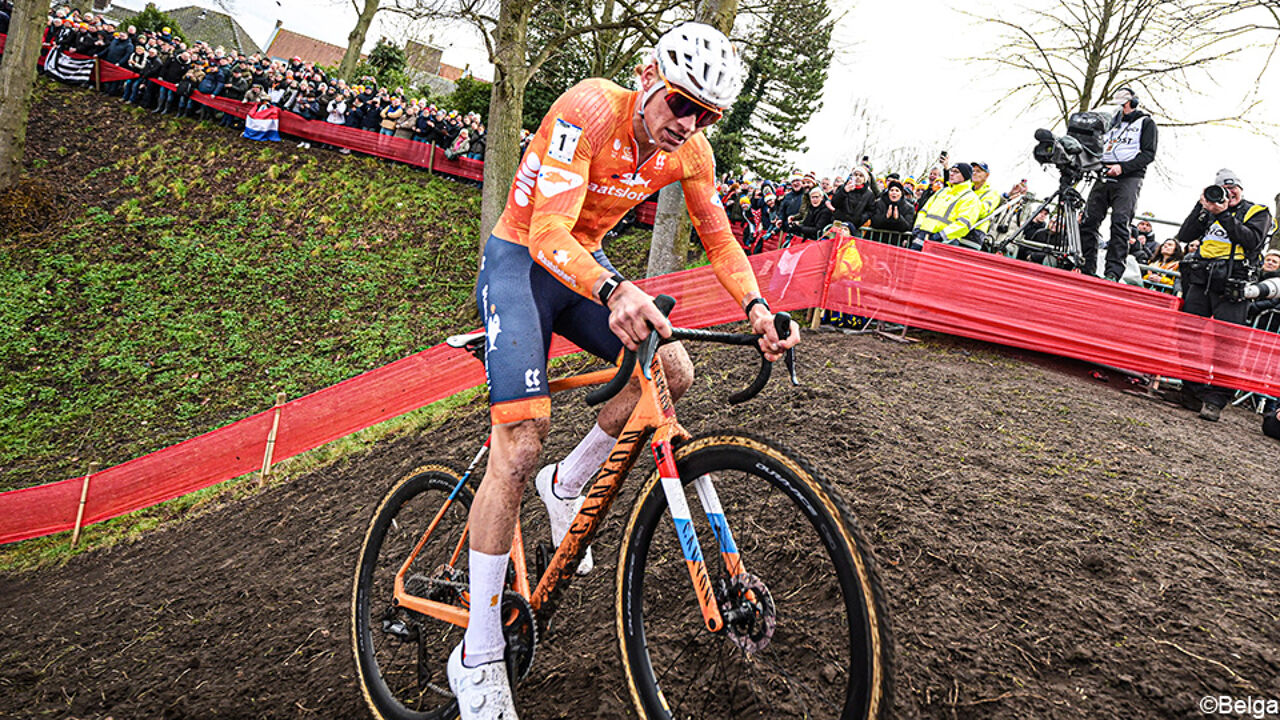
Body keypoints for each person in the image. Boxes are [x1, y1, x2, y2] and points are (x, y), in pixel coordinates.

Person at [453, 22, 798, 719]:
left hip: (584, 265)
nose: (689, 122)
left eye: (706, 113)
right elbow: (548, 231)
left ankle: (567, 484)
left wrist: (759, 308)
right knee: (519, 443)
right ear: (647, 77)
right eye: (680, 102)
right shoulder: (588, 109)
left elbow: (720, 237)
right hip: (522, 261)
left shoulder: (690, 150)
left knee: (674, 370)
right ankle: (478, 656)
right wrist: (615, 290)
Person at [1174, 169, 1273, 421]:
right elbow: (1184, 236)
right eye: (1222, 188)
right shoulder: (1207, 210)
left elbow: (1251, 240)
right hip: (1201, 280)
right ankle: (1192, 391)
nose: (1228, 193)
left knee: (1228, 344)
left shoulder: (1257, 212)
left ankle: (1216, 399)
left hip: (1233, 284)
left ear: (1241, 189)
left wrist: (1224, 214)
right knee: (1188, 335)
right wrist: (1201, 207)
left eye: (1233, 188)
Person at [1079, 87, 1158, 280]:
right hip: (1103, 174)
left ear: (1133, 103)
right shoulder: (1110, 123)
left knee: (1120, 222)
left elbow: (1149, 154)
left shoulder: (1146, 123)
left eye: (1123, 105)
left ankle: (1113, 272)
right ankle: (1087, 266)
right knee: (1089, 220)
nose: (1121, 109)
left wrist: (1123, 168)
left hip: (1129, 177)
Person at [911, 163, 980, 250]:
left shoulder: (971, 198)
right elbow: (923, 211)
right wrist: (917, 227)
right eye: (951, 171)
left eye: (956, 172)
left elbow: (964, 224)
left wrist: (941, 235)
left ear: (965, 176)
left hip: (946, 241)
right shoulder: (942, 191)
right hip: (922, 236)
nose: (951, 174)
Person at [965, 161, 1001, 248]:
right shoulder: (966, 188)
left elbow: (982, 211)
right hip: (957, 229)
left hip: (975, 233)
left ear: (987, 175)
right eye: (973, 171)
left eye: (978, 171)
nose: (974, 173)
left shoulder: (992, 193)